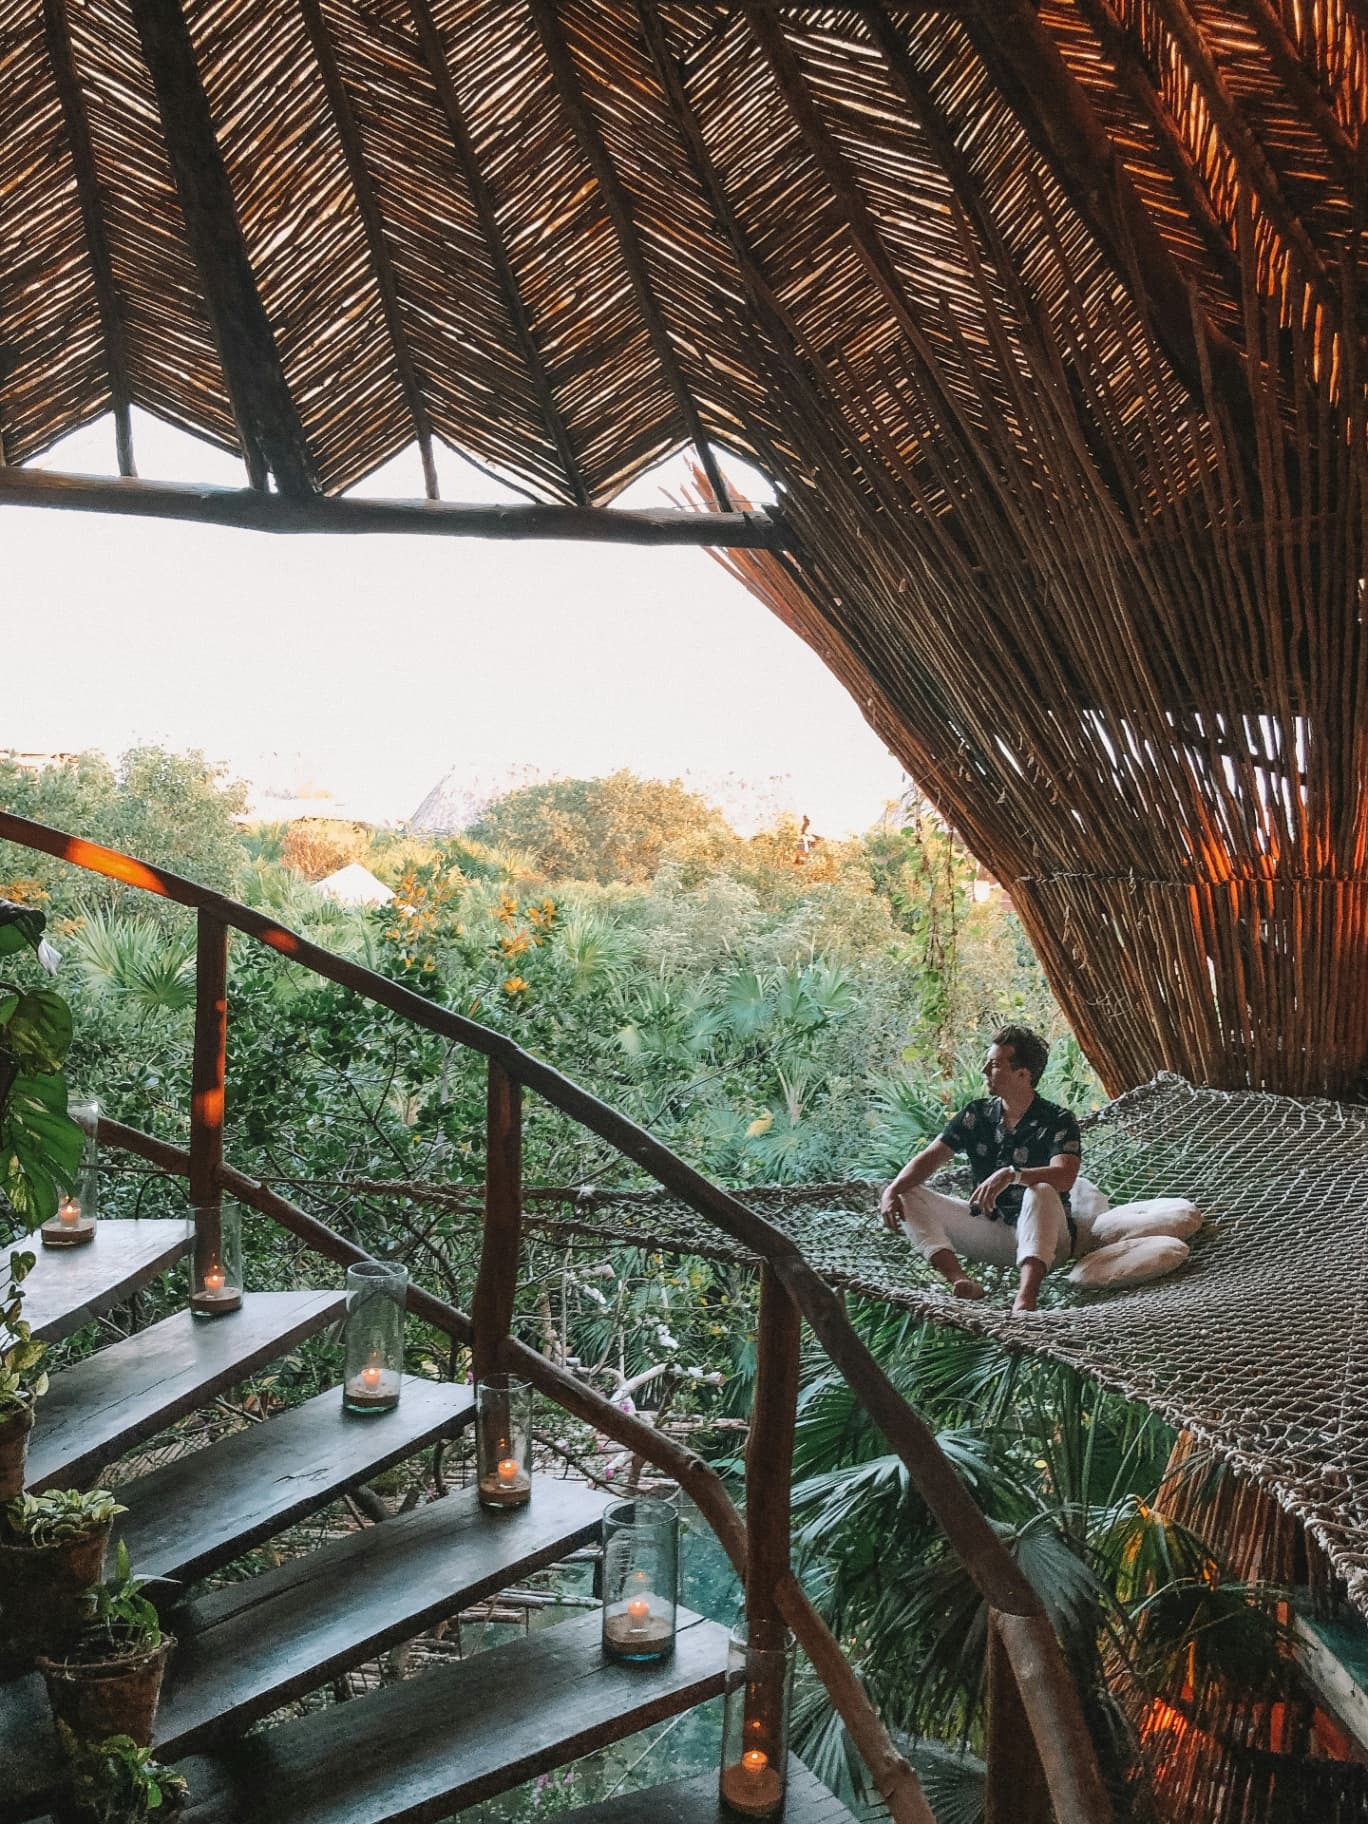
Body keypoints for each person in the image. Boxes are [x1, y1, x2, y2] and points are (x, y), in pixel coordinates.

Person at [879, 1024, 1083, 1314]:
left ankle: (1025, 1299)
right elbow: (931, 1157)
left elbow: (1065, 1176)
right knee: (907, 1192)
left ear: (1022, 1074)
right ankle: (961, 1280)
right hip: (992, 1231)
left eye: (995, 1064)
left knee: (1040, 1190)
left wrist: (1013, 1175)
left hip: (1049, 1240)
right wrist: (892, 1190)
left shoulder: (1058, 1119)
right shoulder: (977, 1114)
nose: (985, 1070)